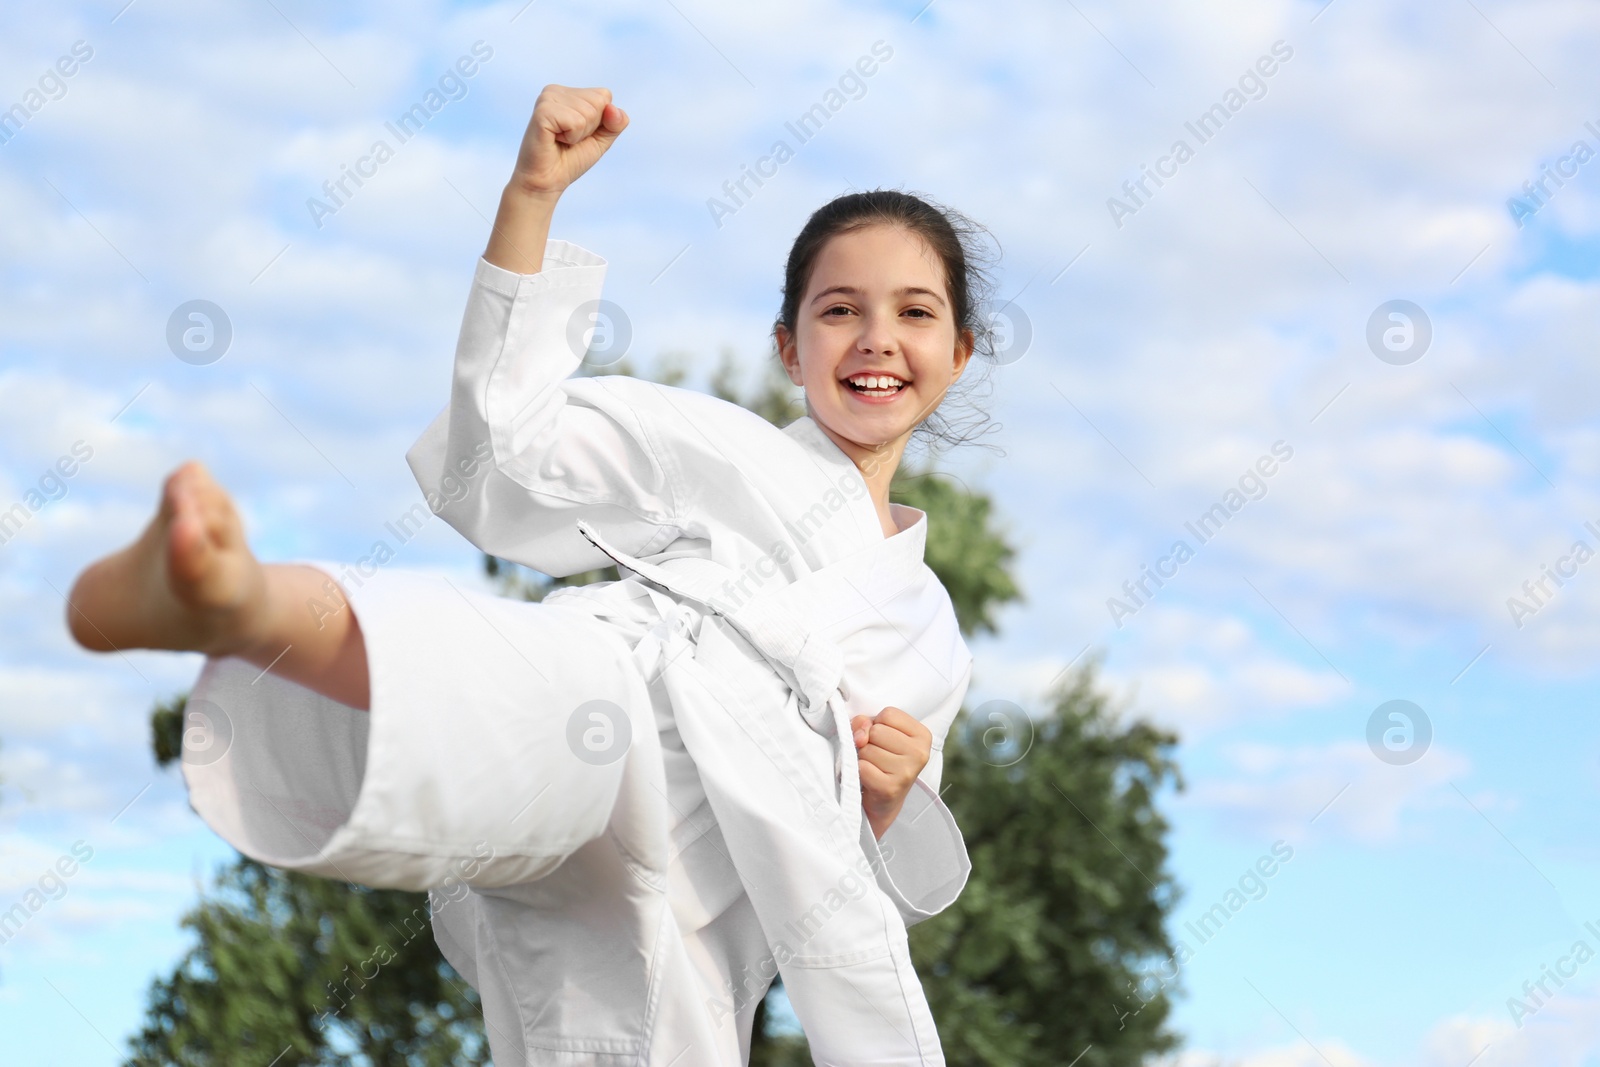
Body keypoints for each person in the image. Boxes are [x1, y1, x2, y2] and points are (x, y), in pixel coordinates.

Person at [66, 84, 998, 1066]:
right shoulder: (713, 447)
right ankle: (234, 599)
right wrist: (532, 196)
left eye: (914, 312)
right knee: (474, 669)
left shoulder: (930, 638)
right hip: (608, 706)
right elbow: (504, 447)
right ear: (788, 345)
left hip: (706, 890)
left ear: (960, 350)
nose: (876, 338)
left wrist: (889, 802)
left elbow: (886, 870)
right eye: (839, 309)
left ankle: (235, 601)